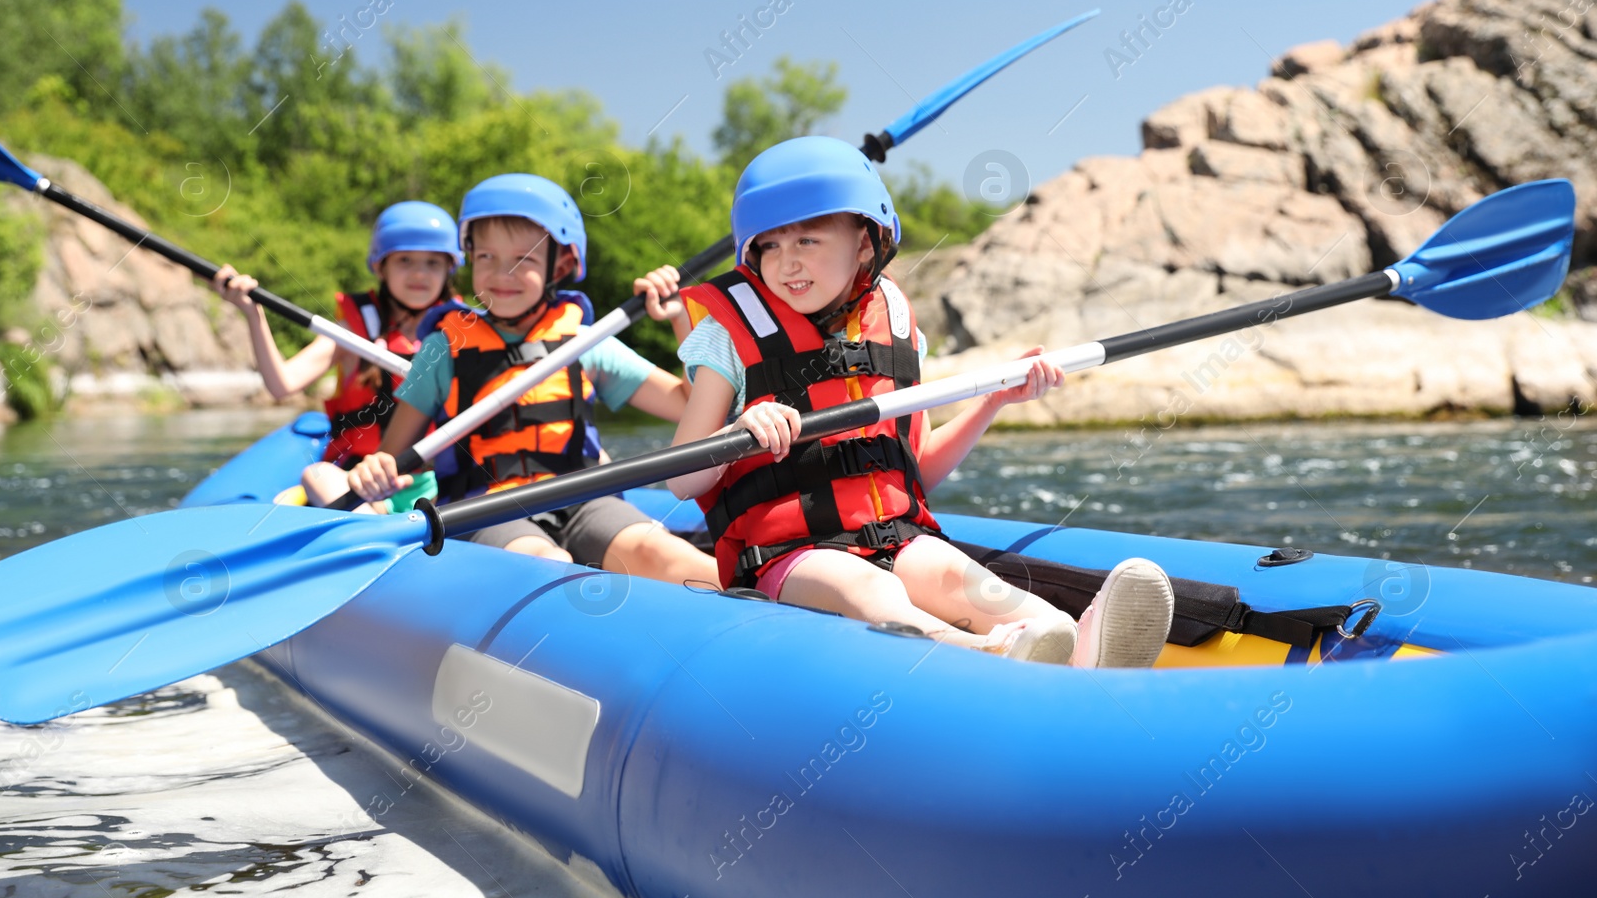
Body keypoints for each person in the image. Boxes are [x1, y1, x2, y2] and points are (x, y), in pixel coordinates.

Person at [667, 137, 1174, 667]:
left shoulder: (897, 326)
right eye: (769, 246)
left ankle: (1072, 642)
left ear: (865, 243)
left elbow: (918, 471)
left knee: (987, 592)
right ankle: (992, 653)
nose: (787, 263)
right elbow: (683, 479)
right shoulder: (728, 337)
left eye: (808, 241)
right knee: (869, 588)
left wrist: (991, 404)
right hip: (790, 555)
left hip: (898, 536)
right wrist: (741, 429)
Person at [342, 173, 720, 587]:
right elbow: (394, 457)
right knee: (545, 559)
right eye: (486, 257)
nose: (502, 274)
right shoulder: (441, 348)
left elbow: (691, 405)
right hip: (489, 508)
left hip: (584, 496)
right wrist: (376, 469)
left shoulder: (584, 342)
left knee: (659, 552)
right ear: (469, 258)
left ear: (558, 265)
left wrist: (680, 319)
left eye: (523, 260)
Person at [214, 202, 462, 516]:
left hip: (433, 482)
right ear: (380, 266)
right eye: (404, 260)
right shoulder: (353, 333)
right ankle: (372, 530)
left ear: (448, 270)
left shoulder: (463, 333)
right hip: (359, 483)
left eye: (432, 263)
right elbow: (282, 384)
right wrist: (254, 315)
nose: (418, 273)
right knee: (316, 475)